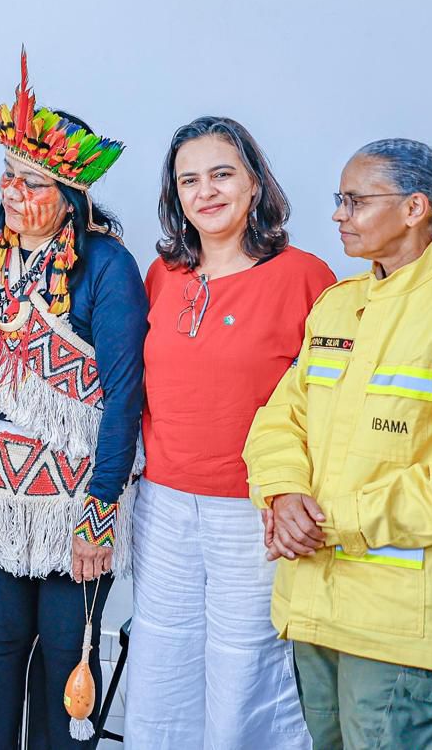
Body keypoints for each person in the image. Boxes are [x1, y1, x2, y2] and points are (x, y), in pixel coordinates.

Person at [244, 138, 432, 750]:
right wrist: (283, 494)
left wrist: (332, 520)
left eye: (354, 200)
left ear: (414, 208)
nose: (339, 213)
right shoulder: (338, 307)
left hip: (404, 625)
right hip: (316, 606)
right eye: (340, 200)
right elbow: (280, 419)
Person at [0, 52, 147, 748]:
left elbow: (123, 396)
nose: (14, 192)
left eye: (33, 182)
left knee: (69, 656)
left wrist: (101, 506)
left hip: (72, 498)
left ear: (70, 192)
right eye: (9, 176)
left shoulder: (107, 264)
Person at [124, 117, 333, 748]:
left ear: (254, 183)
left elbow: (326, 404)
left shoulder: (306, 277)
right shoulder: (163, 275)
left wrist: (292, 492)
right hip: (163, 502)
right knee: (163, 660)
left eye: (222, 174)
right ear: (174, 195)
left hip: (255, 508)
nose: (206, 191)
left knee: (247, 665)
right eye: (189, 180)